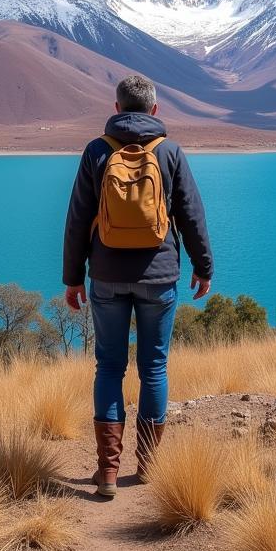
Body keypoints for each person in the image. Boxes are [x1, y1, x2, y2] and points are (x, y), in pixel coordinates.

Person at [62, 73, 214, 497]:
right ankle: (147, 467)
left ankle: (107, 472)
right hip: (159, 276)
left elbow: (77, 219)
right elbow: (190, 214)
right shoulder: (169, 151)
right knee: (154, 368)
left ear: (115, 109)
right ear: (154, 110)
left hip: (107, 277)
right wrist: (204, 267)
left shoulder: (96, 151)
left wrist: (73, 278)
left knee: (109, 367)